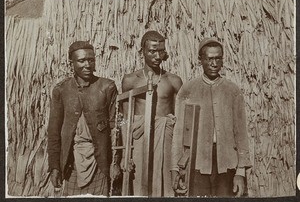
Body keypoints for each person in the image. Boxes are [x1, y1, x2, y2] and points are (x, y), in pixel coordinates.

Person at [171, 38, 252, 197]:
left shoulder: (232, 90)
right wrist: (175, 168)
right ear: (200, 60)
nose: (214, 63)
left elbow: (241, 134)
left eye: (218, 58)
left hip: (227, 163)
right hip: (197, 163)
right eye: (209, 59)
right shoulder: (188, 90)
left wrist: (240, 172)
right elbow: (179, 133)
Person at [47, 41, 118, 196]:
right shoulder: (61, 90)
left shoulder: (107, 87)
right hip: (72, 162)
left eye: (91, 60)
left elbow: (115, 127)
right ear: (71, 62)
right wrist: (54, 167)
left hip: (100, 161)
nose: (87, 64)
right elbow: (54, 132)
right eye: (81, 60)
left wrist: (115, 162)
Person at [121, 30, 183, 196]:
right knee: (140, 185)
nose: (157, 56)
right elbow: (125, 119)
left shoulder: (174, 81)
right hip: (140, 141)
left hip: (166, 141)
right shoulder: (130, 80)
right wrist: (125, 153)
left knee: (167, 185)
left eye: (161, 51)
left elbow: (180, 121)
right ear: (142, 51)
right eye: (152, 51)